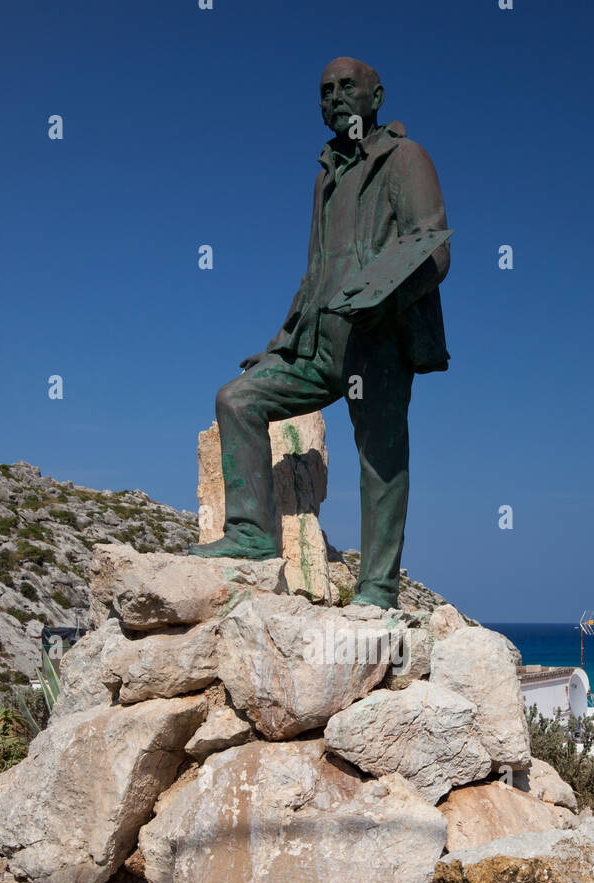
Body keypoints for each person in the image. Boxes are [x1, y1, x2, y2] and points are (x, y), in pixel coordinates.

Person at [190, 56, 450, 610]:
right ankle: (252, 534)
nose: (333, 97)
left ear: (376, 97)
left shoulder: (405, 158)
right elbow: (314, 275)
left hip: (376, 338)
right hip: (316, 343)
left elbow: (434, 248)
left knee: (380, 457)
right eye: (324, 90)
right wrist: (281, 341)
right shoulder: (325, 179)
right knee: (237, 399)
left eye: (345, 87)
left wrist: (382, 300)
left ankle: (377, 588)